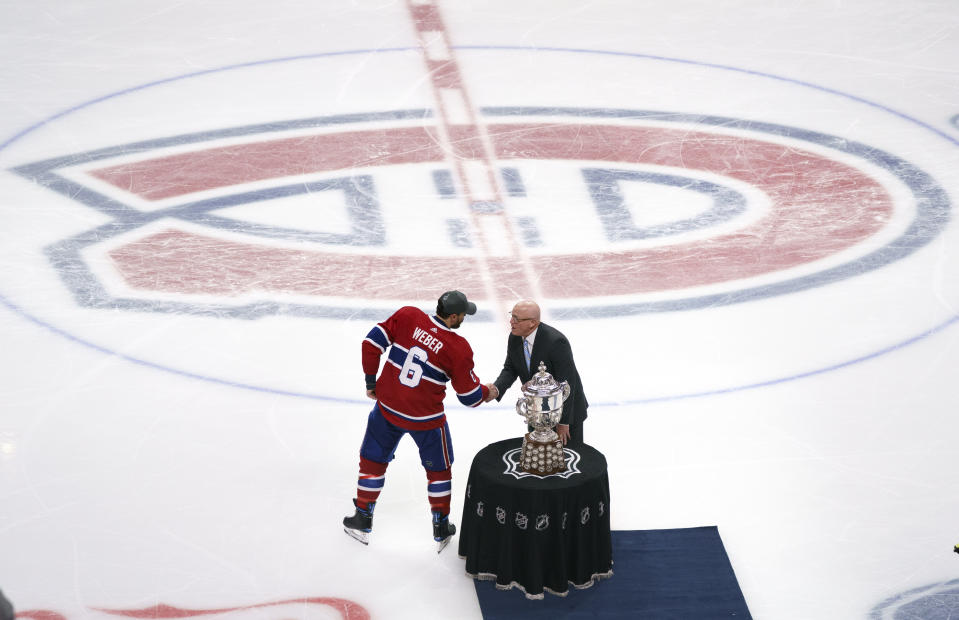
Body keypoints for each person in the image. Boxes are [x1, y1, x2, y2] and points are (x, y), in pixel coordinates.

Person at [343, 290, 491, 552]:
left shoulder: (409, 316)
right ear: (454, 316)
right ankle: (440, 525)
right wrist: (490, 391)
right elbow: (470, 397)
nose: (464, 319)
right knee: (439, 470)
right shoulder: (458, 348)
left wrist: (370, 381)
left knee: (372, 461)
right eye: (463, 315)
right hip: (427, 420)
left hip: (387, 410)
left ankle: (362, 518)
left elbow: (370, 343)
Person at [485, 299, 588, 445]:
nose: (511, 321)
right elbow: (510, 368)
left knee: (568, 459)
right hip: (537, 410)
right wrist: (496, 389)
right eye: (511, 316)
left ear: (532, 323)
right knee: (539, 458)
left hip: (566, 413)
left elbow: (567, 383)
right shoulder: (514, 337)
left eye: (516, 319)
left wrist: (563, 422)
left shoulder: (556, 342)